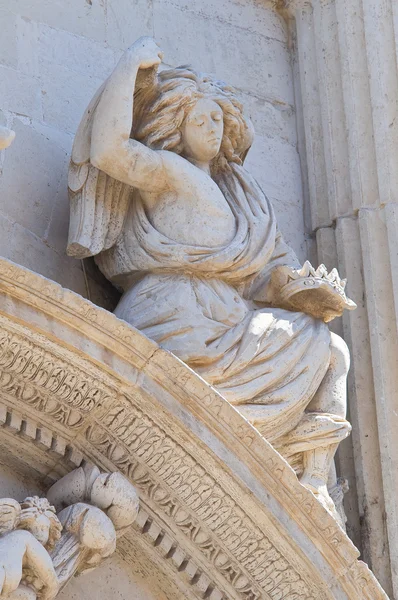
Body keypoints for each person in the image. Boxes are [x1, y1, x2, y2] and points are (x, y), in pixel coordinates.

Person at [67, 37, 354, 519]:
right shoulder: (170, 172)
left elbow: (267, 272)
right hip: (177, 312)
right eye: (198, 119)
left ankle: (316, 479)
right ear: (177, 125)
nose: (210, 128)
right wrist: (127, 70)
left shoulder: (246, 195)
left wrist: (299, 291)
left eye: (216, 119)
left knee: (332, 349)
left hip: (231, 314)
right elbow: (110, 153)